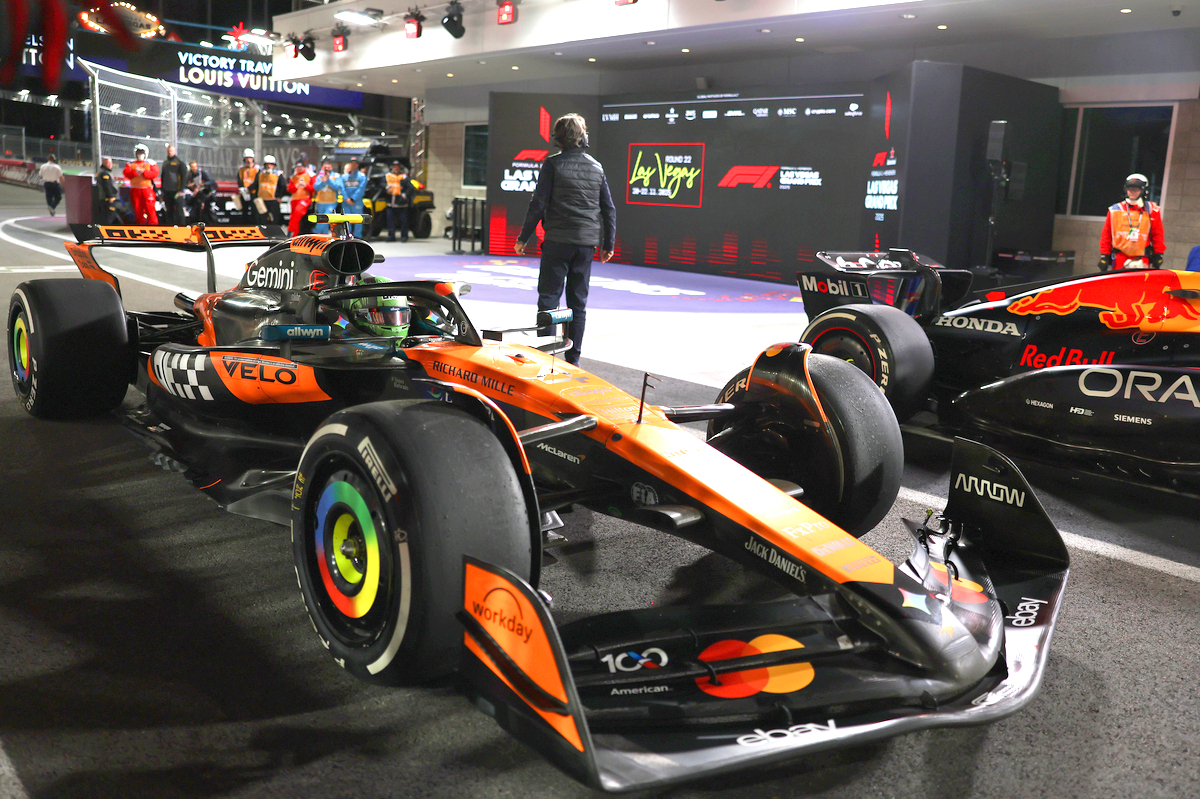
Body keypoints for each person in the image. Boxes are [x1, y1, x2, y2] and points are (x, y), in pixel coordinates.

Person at [514, 113, 616, 365]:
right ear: (583, 137)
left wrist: (523, 238)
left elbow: (538, 204)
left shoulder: (552, 164)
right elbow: (609, 209)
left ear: (557, 137)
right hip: (585, 245)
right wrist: (608, 245)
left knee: (549, 299)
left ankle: (546, 357)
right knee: (577, 305)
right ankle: (573, 360)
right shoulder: (597, 167)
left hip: (557, 242)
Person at [1100, 173, 1165, 271]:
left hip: (1142, 258)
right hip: (1120, 258)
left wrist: (1159, 254)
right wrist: (1104, 255)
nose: (1132, 191)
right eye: (1129, 188)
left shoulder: (1152, 210)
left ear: (1143, 190)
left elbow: (1157, 234)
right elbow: (1106, 234)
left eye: (1136, 189)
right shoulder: (1115, 210)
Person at [123, 143, 159, 225]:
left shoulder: (150, 163)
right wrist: (135, 172)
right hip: (135, 190)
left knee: (150, 210)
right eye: (138, 153)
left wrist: (143, 172)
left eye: (142, 153)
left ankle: (153, 227)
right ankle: (140, 227)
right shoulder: (131, 163)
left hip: (147, 190)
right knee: (138, 211)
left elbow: (154, 173)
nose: (140, 155)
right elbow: (126, 173)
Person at [385, 160, 414, 242]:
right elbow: (382, 184)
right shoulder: (388, 176)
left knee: (403, 221)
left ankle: (404, 236)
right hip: (390, 203)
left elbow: (410, 187)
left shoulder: (404, 177)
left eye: (397, 166)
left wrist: (404, 195)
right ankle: (391, 236)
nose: (396, 168)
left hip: (401, 203)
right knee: (390, 221)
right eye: (394, 166)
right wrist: (387, 189)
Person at [159, 144, 189, 225]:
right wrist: (162, 189)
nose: (170, 152)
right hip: (167, 191)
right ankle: (170, 226)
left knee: (179, 210)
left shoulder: (179, 163)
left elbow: (184, 177)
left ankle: (182, 227)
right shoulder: (165, 163)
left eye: (171, 151)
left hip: (177, 191)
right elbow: (163, 177)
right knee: (169, 210)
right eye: (168, 151)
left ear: (175, 151)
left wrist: (181, 189)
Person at [312, 158, 343, 235]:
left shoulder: (336, 176)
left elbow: (338, 187)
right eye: (325, 167)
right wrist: (323, 182)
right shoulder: (320, 176)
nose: (327, 169)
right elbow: (316, 187)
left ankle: (315, 231)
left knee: (326, 218)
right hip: (320, 202)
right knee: (322, 220)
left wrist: (329, 180)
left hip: (331, 202)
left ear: (331, 167)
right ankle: (324, 236)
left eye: (328, 167)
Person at [95, 156, 130, 224]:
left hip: (108, 198)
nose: (110, 165)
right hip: (108, 199)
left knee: (111, 215)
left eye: (110, 163)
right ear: (103, 163)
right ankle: (107, 228)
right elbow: (106, 185)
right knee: (109, 216)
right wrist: (110, 196)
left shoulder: (106, 172)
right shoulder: (104, 173)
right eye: (108, 163)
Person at [250, 154, 283, 225]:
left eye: (270, 164)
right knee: (262, 219)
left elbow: (283, 186)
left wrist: (279, 197)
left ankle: (274, 231)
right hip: (262, 200)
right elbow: (255, 184)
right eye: (267, 164)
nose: (269, 166)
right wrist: (247, 189)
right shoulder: (260, 174)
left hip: (273, 200)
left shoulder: (278, 174)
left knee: (275, 219)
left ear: (273, 165)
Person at [341, 157, 367, 237]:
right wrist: (346, 198)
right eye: (351, 163)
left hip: (356, 202)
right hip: (346, 202)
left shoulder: (362, 176)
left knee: (358, 220)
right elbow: (342, 188)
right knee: (346, 220)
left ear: (358, 165)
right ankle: (348, 236)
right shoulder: (344, 177)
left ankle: (357, 236)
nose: (353, 165)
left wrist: (353, 199)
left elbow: (361, 189)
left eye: (355, 163)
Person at [287, 161, 314, 237]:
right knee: (293, 216)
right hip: (294, 199)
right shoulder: (293, 177)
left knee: (298, 212)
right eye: (298, 167)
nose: (299, 168)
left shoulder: (309, 175)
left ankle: (293, 233)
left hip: (305, 199)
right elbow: (290, 189)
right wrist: (296, 186)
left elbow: (313, 188)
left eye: (301, 167)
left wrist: (305, 186)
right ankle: (291, 232)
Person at [185, 159, 216, 224]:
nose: (194, 169)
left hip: (206, 193)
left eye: (195, 167)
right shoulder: (190, 175)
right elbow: (186, 184)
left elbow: (211, 182)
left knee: (206, 210)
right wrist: (191, 186)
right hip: (197, 194)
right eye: (192, 167)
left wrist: (202, 184)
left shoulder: (202, 173)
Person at [236, 149, 259, 224]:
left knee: (254, 211)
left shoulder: (256, 169)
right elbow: (239, 179)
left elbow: (257, 181)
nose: (248, 160)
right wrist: (242, 189)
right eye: (247, 158)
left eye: (250, 158)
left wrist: (248, 189)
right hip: (244, 193)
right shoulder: (242, 169)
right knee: (244, 210)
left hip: (253, 193)